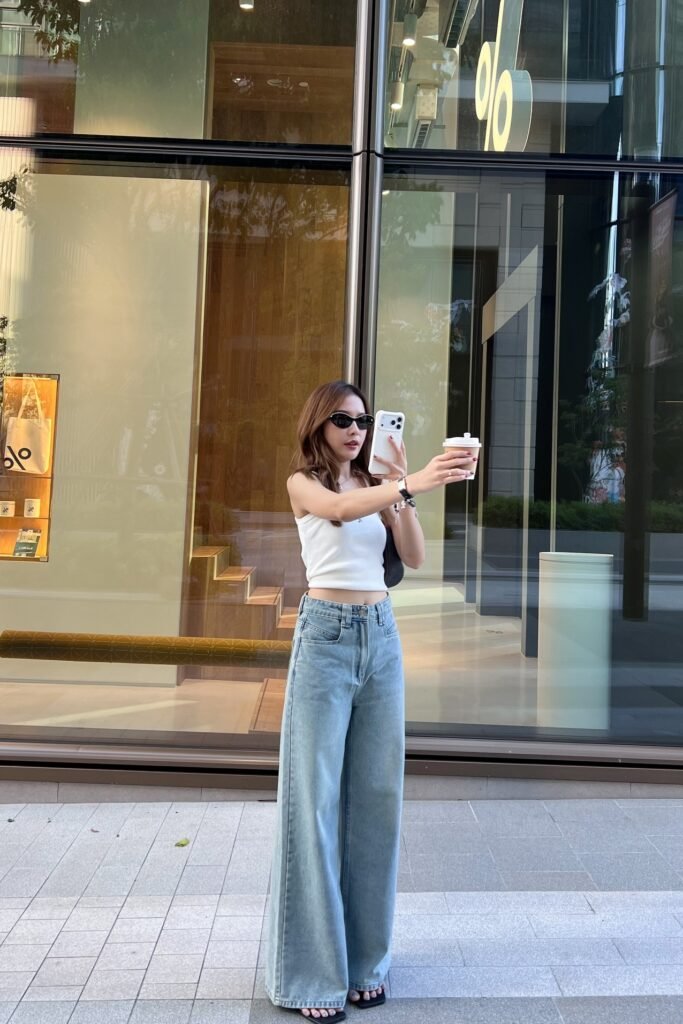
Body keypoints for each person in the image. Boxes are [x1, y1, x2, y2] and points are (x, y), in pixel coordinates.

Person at [265, 380, 474, 1021]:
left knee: (377, 802)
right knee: (315, 803)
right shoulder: (308, 486)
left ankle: (365, 965)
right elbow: (337, 514)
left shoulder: (379, 490)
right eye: (341, 420)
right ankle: (311, 977)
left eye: (361, 419)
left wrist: (401, 490)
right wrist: (410, 486)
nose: (354, 430)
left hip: (381, 638)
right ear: (318, 426)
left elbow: (411, 555)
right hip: (325, 637)